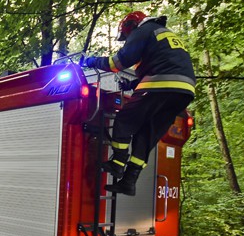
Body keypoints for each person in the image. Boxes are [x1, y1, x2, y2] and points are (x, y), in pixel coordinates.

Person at [81, 11, 196, 196]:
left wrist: (91, 61)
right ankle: (129, 181)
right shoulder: (163, 34)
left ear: (131, 26)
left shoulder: (143, 30)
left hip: (162, 85)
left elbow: (118, 62)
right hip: (183, 92)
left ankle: (118, 163)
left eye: (126, 35)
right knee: (146, 134)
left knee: (125, 120)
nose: (127, 38)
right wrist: (133, 84)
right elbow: (164, 63)